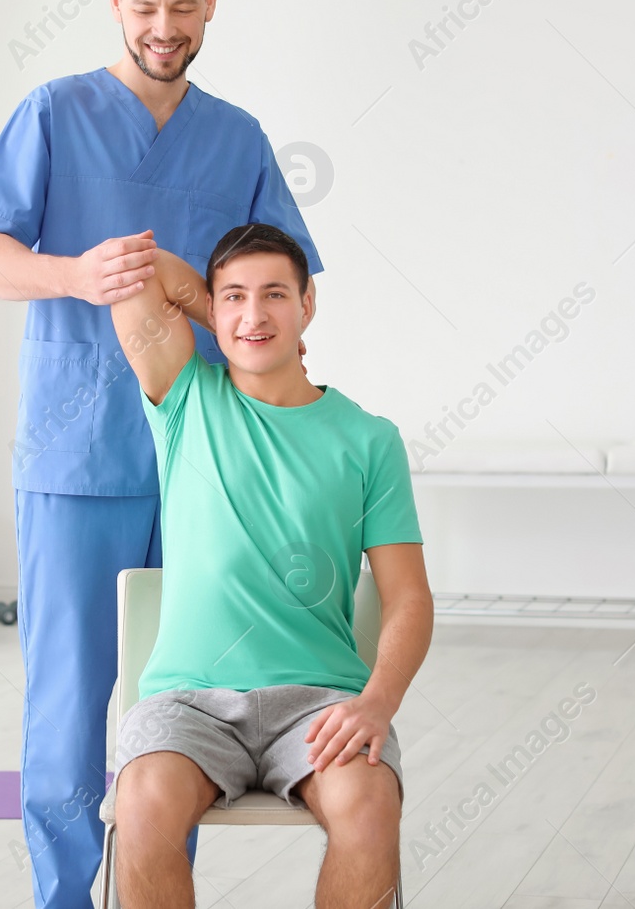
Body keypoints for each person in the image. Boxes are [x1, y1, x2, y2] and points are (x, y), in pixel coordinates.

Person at [0, 0, 323, 908]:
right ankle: (66, 898)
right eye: (145, 8)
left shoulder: (236, 137)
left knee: (184, 705)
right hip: (77, 458)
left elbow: (272, 289)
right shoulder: (54, 113)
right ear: (116, 4)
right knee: (70, 705)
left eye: (183, 8)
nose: (164, 28)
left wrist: (194, 299)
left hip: (202, 453)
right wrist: (73, 273)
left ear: (210, 4)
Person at [108, 223, 433, 909]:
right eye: (235, 296)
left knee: (370, 808)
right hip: (187, 700)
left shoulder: (371, 440)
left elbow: (408, 599)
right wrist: (233, 322)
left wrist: (378, 702)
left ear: (308, 305)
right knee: (140, 805)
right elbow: (138, 274)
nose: (254, 313)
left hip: (320, 702)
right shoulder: (186, 398)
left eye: (275, 296)